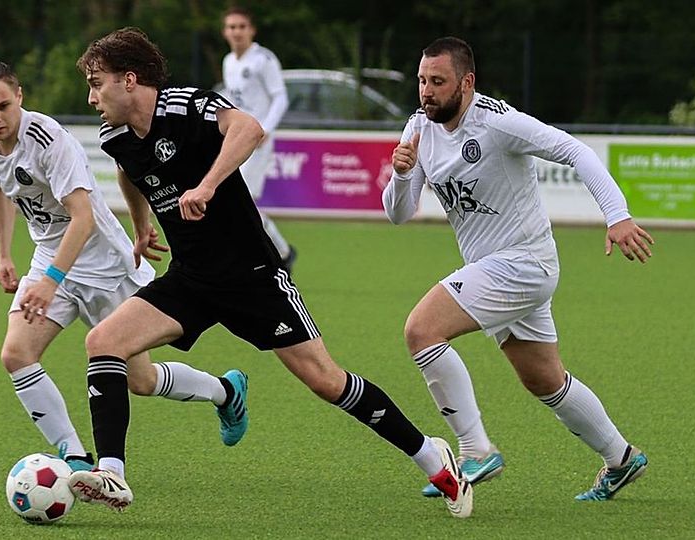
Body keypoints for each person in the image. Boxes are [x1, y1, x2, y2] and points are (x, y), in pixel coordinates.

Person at [64, 27, 472, 518]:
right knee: (103, 342)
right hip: (191, 278)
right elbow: (130, 170)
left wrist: (207, 185)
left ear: (129, 80)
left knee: (326, 380)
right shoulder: (114, 136)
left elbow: (250, 129)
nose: (91, 98)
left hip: (252, 276)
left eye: (97, 84)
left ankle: (433, 458)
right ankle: (112, 473)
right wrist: (141, 224)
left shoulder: (184, 106)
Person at [382, 37, 654, 501]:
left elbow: (577, 151)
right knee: (544, 379)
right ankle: (621, 458)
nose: (426, 91)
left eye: (438, 81)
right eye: (422, 80)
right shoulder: (419, 128)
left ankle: (475, 450)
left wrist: (617, 215)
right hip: (495, 268)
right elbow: (398, 214)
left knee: (421, 331)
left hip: (524, 263)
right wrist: (403, 174)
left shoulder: (497, 122)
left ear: (466, 82)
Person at [0, 59, 248, 475]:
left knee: (141, 381)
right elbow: (1, 185)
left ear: (20, 96)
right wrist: (4, 254)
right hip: (52, 261)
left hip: (105, 267)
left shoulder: (48, 140)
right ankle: (74, 456)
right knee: (16, 354)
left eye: (3, 106)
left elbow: (83, 219)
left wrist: (51, 281)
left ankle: (225, 391)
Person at [220, 6, 296, 271]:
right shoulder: (229, 62)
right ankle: (279, 252)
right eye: (232, 27)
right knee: (236, 203)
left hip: (258, 141)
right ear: (225, 32)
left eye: (241, 26)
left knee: (241, 202)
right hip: (236, 138)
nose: (236, 32)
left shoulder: (263, 59)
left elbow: (280, 97)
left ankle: (277, 253)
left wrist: (266, 128)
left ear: (251, 30)